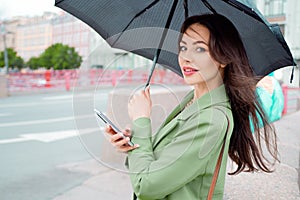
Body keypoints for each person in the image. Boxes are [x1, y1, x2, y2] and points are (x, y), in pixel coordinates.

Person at [105, 14, 279, 200]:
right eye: (183, 47)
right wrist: (134, 141)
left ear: (223, 58)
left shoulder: (212, 119)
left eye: (199, 49)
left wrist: (142, 120)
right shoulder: (194, 100)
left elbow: (146, 185)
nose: (186, 58)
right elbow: (164, 160)